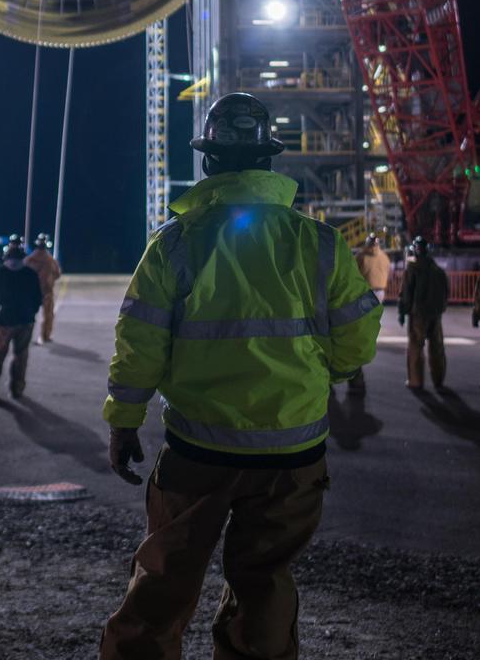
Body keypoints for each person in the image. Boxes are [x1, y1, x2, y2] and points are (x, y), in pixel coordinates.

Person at [99, 93, 382, 660]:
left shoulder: (175, 243)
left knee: (164, 580)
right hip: (293, 453)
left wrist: (124, 422)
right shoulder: (320, 244)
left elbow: (140, 346)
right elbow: (356, 340)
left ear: (208, 161)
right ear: (270, 160)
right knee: (266, 583)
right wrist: (325, 373)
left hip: (198, 449)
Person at [0, 237, 43, 400]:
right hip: (25, 321)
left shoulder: (0, 273)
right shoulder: (30, 274)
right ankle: (17, 390)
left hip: (5, 322)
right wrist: (31, 314)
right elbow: (38, 299)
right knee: (21, 358)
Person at [398, 235, 449, 391]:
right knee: (437, 348)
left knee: (415, 347)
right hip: (436, 314)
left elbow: (406, 293)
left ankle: (415, 381)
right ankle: (438, 380)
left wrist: (402, 312)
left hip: (419, 314)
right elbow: (446, 292)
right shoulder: (438, 270)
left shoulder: (412, 270)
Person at [347, 234, 391, 394]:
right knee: (375, 317)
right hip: (380, 291)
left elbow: (353, 273)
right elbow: (388, 270)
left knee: (362, 320)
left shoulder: (361, 256)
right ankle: (374, 333)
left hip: (366, 291)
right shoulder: (384, 256)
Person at [25, 233, 62, 343]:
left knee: (28, 315)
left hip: (32, 292)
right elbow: (57, 274)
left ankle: (25, 336)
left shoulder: (29, 259)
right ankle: (45, 335)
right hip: (46, 290)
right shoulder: (50, 260)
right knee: (48, 315)